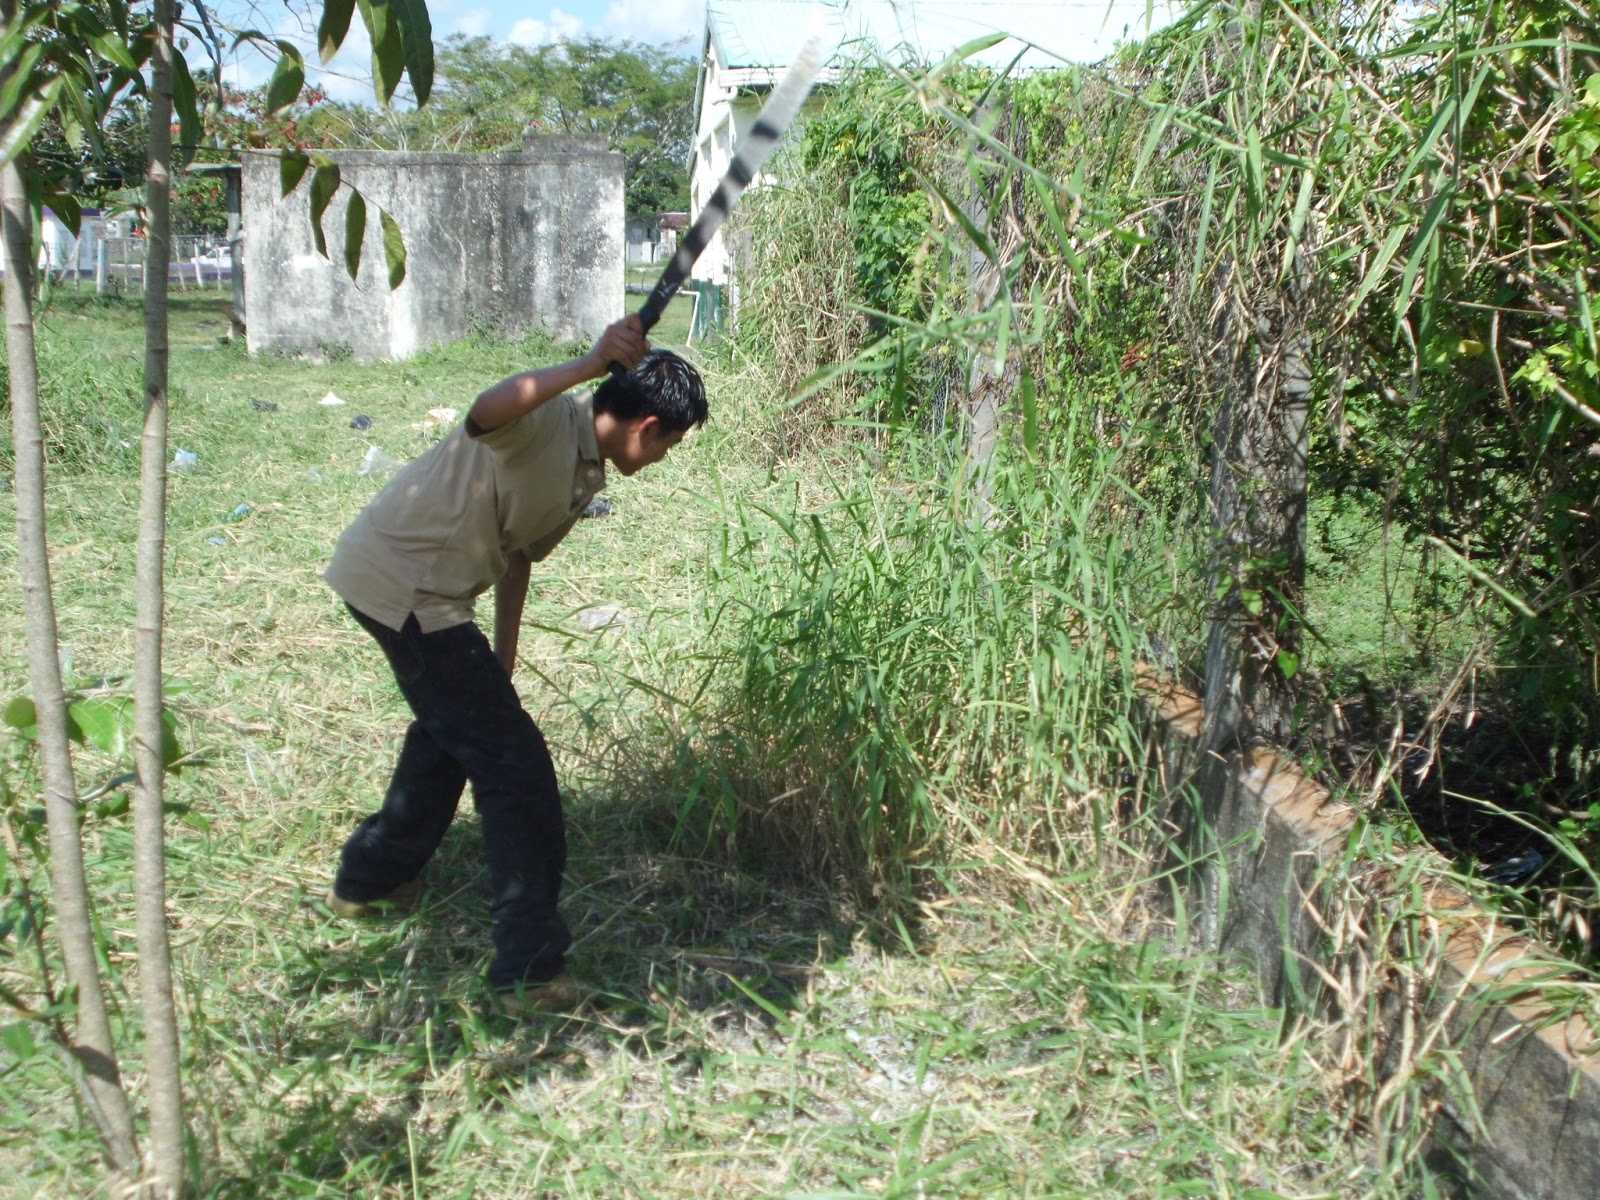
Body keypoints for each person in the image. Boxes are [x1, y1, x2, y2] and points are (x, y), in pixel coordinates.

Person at [321, 315, 707, 1014]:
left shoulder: (587, 468)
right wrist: (591, 361)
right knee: (516, 767)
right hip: (406, 588)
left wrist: (502, 656)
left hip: (432, 596)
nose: (663, 459)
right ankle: (527, 970)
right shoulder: (546, 421)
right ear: (647, 427)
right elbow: (484, 410)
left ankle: (371, 879)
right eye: (669, 446)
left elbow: (519, 554)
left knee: (454, 731)